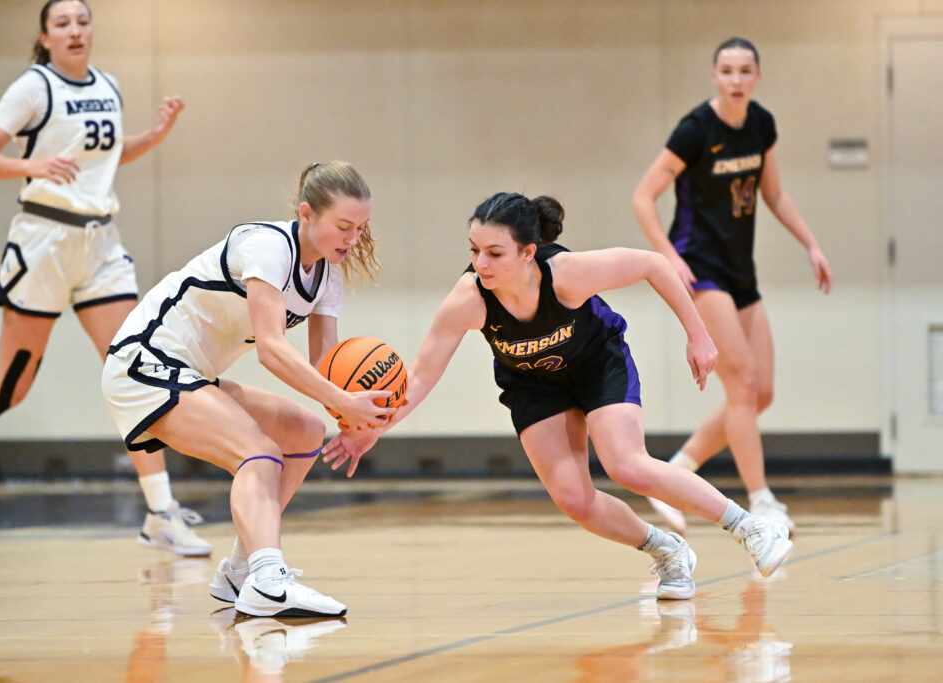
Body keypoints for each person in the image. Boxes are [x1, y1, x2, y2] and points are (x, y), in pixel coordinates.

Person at [323, 191, 794, 600]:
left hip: (595, 361)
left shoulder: (567, 273)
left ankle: (751, 527)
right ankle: (666, 549)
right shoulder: (468, 299)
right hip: (532, 382)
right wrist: (374, 429)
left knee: (626, 464)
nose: (480, 264)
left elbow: (653, 265)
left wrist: (699, 334)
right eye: (474, 251)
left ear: (529, 252)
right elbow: (420, 378)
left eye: (494, 253)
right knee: (574, 499)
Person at [0, 0, 209, 555]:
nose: (75, 30)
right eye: (63, 23)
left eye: (83, 21)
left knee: (138, 371)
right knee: (12, 386)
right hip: (43, 243)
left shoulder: (108, 84)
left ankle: (159, 512)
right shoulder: (33, 87)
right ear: (45, 36)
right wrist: (33, 166)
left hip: (100, 244)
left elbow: (103, 157)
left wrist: (154, 135)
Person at [102, 161, 393, 618]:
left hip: (189, 371)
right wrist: (344, 402)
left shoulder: (328, 275)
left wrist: (356, 422)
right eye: (343, 226)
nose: (352, 239)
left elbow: (325, 365)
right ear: (307, 213)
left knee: (303, 429)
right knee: (257, 452)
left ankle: (240, 573)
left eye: (360, 228)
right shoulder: (267, 248)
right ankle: (269, 579)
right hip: (144, 362)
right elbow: (272, 350)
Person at [631, 37, 832, 536]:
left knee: (760, 392)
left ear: (757, 76)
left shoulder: (761, 124)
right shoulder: (696, 130)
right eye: (727, 71)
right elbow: (643, 197)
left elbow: (774, 194)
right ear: (715, 76)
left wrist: (811, 244)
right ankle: (761, 502)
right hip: (702, 268)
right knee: (740, 384)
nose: (737, 80)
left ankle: (675, 474)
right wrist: (670, 257)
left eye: (745, 71)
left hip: (742, 269)